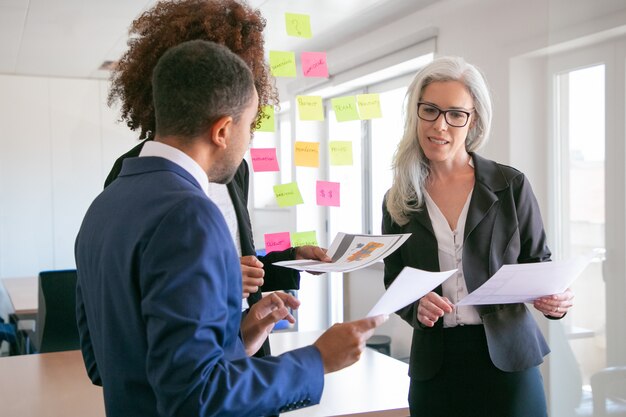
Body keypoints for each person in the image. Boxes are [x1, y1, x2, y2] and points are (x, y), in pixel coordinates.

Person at [76, 39, 385, 417]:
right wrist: (317, 359)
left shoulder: (104, 204)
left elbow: (109, 358)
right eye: (249, 128)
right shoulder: (190, 214)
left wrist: (238, 338)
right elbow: (196, 397)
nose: (248, 143)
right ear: (222, 130)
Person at [103, 0, 329, 358]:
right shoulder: (131, 173)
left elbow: (242, 264)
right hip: (190, 367)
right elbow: (141, 292)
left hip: (246, 350)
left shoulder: (236, 168)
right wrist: (220, 282)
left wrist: (291, 260)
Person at [381, 56, 575, 417]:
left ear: (473, 122)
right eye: (430, 110)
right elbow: (395, 280)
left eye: (456, 114)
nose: (440, 125)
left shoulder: (509, 185)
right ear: (416, 112)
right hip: (434, 364)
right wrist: (415, 305)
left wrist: (556, 300)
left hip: (508, 360)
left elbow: (538, 263)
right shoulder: (401, 196)